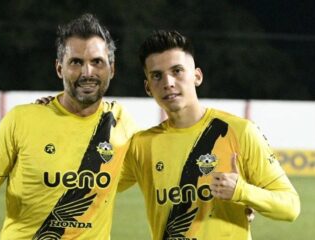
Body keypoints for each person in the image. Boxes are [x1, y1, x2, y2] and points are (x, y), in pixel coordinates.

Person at [0, 13, 138, 240]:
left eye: (96, 62)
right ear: (60, 68)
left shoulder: (122, 122)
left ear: (111, 69)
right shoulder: (21, 120)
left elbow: (135, 173)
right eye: (76, 62)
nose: (87, 72)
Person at [118, 30, 300, 240]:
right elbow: (95, 189)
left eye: (177, 71)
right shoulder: (141, 146)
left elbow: (290, 207)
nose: (168, 82)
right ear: (148, 87)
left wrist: (242, 192)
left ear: (197, 76)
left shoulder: (240, 131)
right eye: (157, 75)